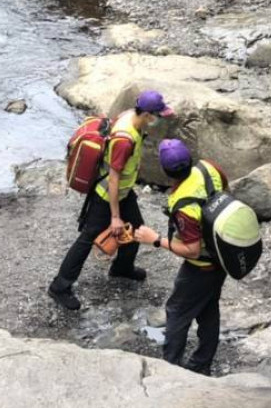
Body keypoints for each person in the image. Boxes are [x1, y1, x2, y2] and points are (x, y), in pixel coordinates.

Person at [48, 90, 175, 310]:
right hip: (107, 195)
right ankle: (60, 286)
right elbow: (114, 178)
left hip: (124, 192)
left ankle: (122, 268)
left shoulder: (130, 116)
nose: (159, 120)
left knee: (135, 228)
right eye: (158, 115)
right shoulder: (124, 140)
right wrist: (115, 217)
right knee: (87, 238)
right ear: (147, 115)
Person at [133, 139, 229, 375]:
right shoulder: (209, 168)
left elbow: (192, 249)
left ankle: (170, 369)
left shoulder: (183, 204)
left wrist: (155, 239)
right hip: (223, 254)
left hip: (202, 266)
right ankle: (201, 363)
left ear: (165, 171)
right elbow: (226, 194)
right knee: (208, 308)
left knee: (177, 312)